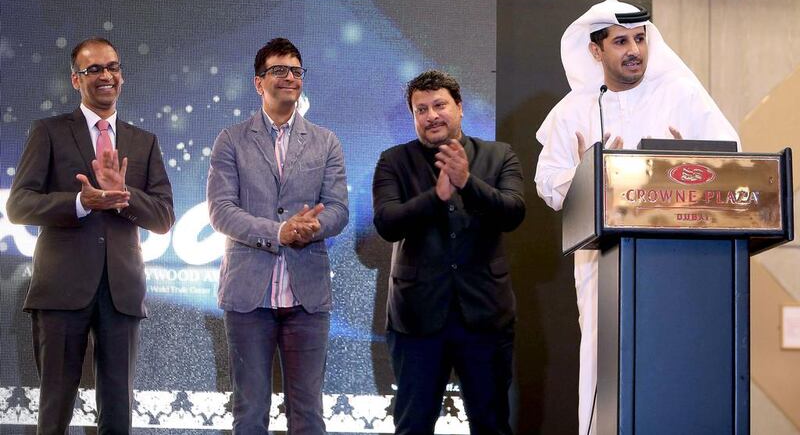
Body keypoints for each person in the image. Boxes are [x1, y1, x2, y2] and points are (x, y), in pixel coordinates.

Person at [534, 0, 740, 435]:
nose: (634, 50)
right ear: (596, 51)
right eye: (621, 41)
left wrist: (685, 160)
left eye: (641, 39)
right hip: (602, 263)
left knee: (678, 359)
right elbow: (548, 184)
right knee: (604, 362)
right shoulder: (574, 111)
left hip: (682, 263)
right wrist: (593, 171)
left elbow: (731, 158)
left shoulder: (681, 95)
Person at [6, 37, 175, 433]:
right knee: (55, 408)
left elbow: (164, 217)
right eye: (93, 69)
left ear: (122, 76)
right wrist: (81, 203)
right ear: (75, 79)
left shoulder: (142, 142)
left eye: (112, 67)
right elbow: (19, 205)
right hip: (61, 289)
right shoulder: (49, 131)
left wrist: (122, 196)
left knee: (117, 410)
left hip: (122, 291)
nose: (105, 76)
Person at [207, 37, 348, 434]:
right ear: (258, 82)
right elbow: (221, 212)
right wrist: (280, 232)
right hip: (249, 297)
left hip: (307, 296)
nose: (289, 77)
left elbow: (337, 209)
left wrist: (313, 227)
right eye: (279, 70)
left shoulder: (326, 141)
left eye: (296, 71)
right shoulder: (231, 139)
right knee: (250, 412)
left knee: (307, 414)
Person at [372, 70, 525, 434]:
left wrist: (467, 184)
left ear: (459, 107)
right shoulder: (393, 161)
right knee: (412, 426)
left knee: (492, 425)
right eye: (420, 109)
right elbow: (387, 223)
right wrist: (435, 197)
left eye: (439, 105)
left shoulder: (498, 155)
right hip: (417, 318)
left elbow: (513, 212)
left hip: (486, 317)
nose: (431, 116)